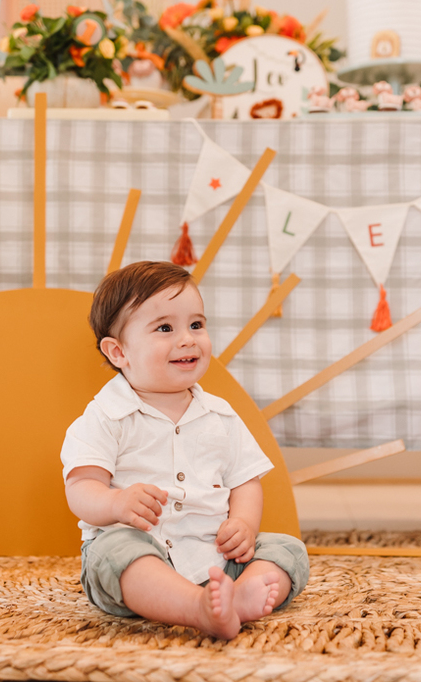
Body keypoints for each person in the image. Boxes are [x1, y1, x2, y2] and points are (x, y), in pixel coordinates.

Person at [61, 261, 308, 639]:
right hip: (141, 554)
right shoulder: (105, 417)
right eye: (165, 328)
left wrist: (242, 525)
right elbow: (81, 487)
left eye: (196, 324)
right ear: (118, 352)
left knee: (287, 551)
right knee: (115, 553)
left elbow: (245, 482)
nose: (188, 339)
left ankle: (236, 597)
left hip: (216, 558)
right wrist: (115, 504)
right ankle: (196, 608)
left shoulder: (221, 416)